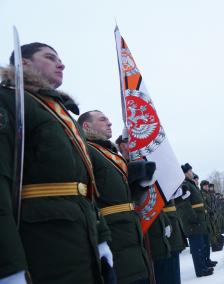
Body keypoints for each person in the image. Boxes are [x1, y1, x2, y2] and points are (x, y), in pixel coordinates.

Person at [0, 43, 109, 283]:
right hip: (44, 244)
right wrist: (8, 265)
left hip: (82, 238)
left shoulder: (62, 115)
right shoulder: (8, 100)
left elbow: (87, 184)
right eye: (50, 58)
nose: (61, 64)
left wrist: (100, 236)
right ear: (24, 63)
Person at [78, 110, 154, 284]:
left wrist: (139, 183)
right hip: (113, 230)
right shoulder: (87, 150)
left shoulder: (110, 154)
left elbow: (119, 194)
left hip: (129, 228)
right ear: (86, 126)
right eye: (103, 119)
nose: (109, 123)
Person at [174, 163, 213, 277]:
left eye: (191, 170)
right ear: (185, 173)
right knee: (197, 247)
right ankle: (200, 270)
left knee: (201, 245)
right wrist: (193, 218)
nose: (192, 173)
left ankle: (204, 266)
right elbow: (183, 204)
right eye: (189, 171)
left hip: (199, 219)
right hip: (193, 221)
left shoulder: (191, 184)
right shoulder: (184, 184)